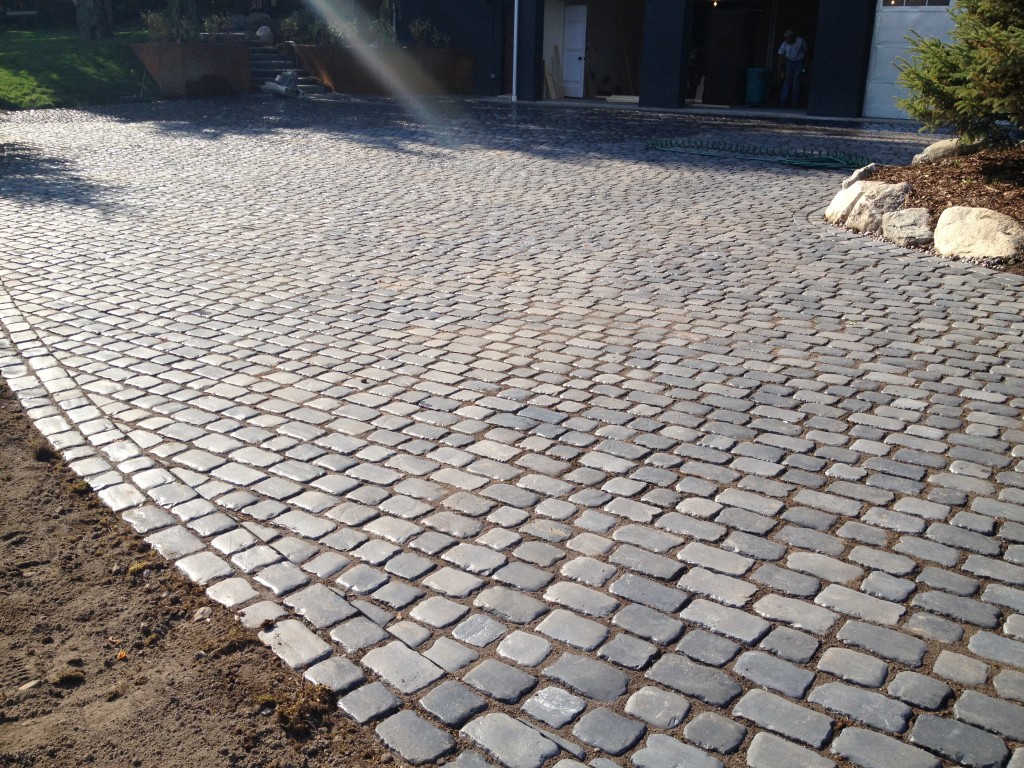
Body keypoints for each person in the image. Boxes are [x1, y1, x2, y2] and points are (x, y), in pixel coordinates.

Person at [777, 29, 808, 107]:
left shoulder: (800, 41)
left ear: (792, 37)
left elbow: (807, 51)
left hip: (799, 62)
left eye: (788, 38)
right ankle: (783, 101)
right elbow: (781, 56)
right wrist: (779, 68)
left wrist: (806, 63)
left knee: (796, 81)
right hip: (789, 62)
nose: (786, 40)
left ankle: (795, 102)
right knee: (787, 81)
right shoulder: (784, 44)